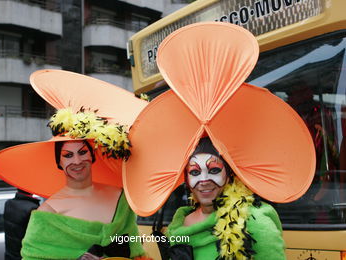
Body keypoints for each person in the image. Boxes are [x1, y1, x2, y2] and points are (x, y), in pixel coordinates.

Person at [123, 22, 316, 259]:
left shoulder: (254, 221)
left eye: (213, 169)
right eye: (194, 172)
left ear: (230, 172)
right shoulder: (179, 221)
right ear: (184, 177)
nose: (203, 180)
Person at [0, 70, 150, 259]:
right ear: (59, 162)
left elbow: (138, 253)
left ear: (92, 156)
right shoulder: (47, 215)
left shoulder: (120, 197)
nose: (77, 161)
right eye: (68, 155)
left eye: (82, 152)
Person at [4, 189, 40, 260]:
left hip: (9, 254)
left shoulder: (8, 203)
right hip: (23, 256)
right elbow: (36, 237)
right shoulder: (32, 208)